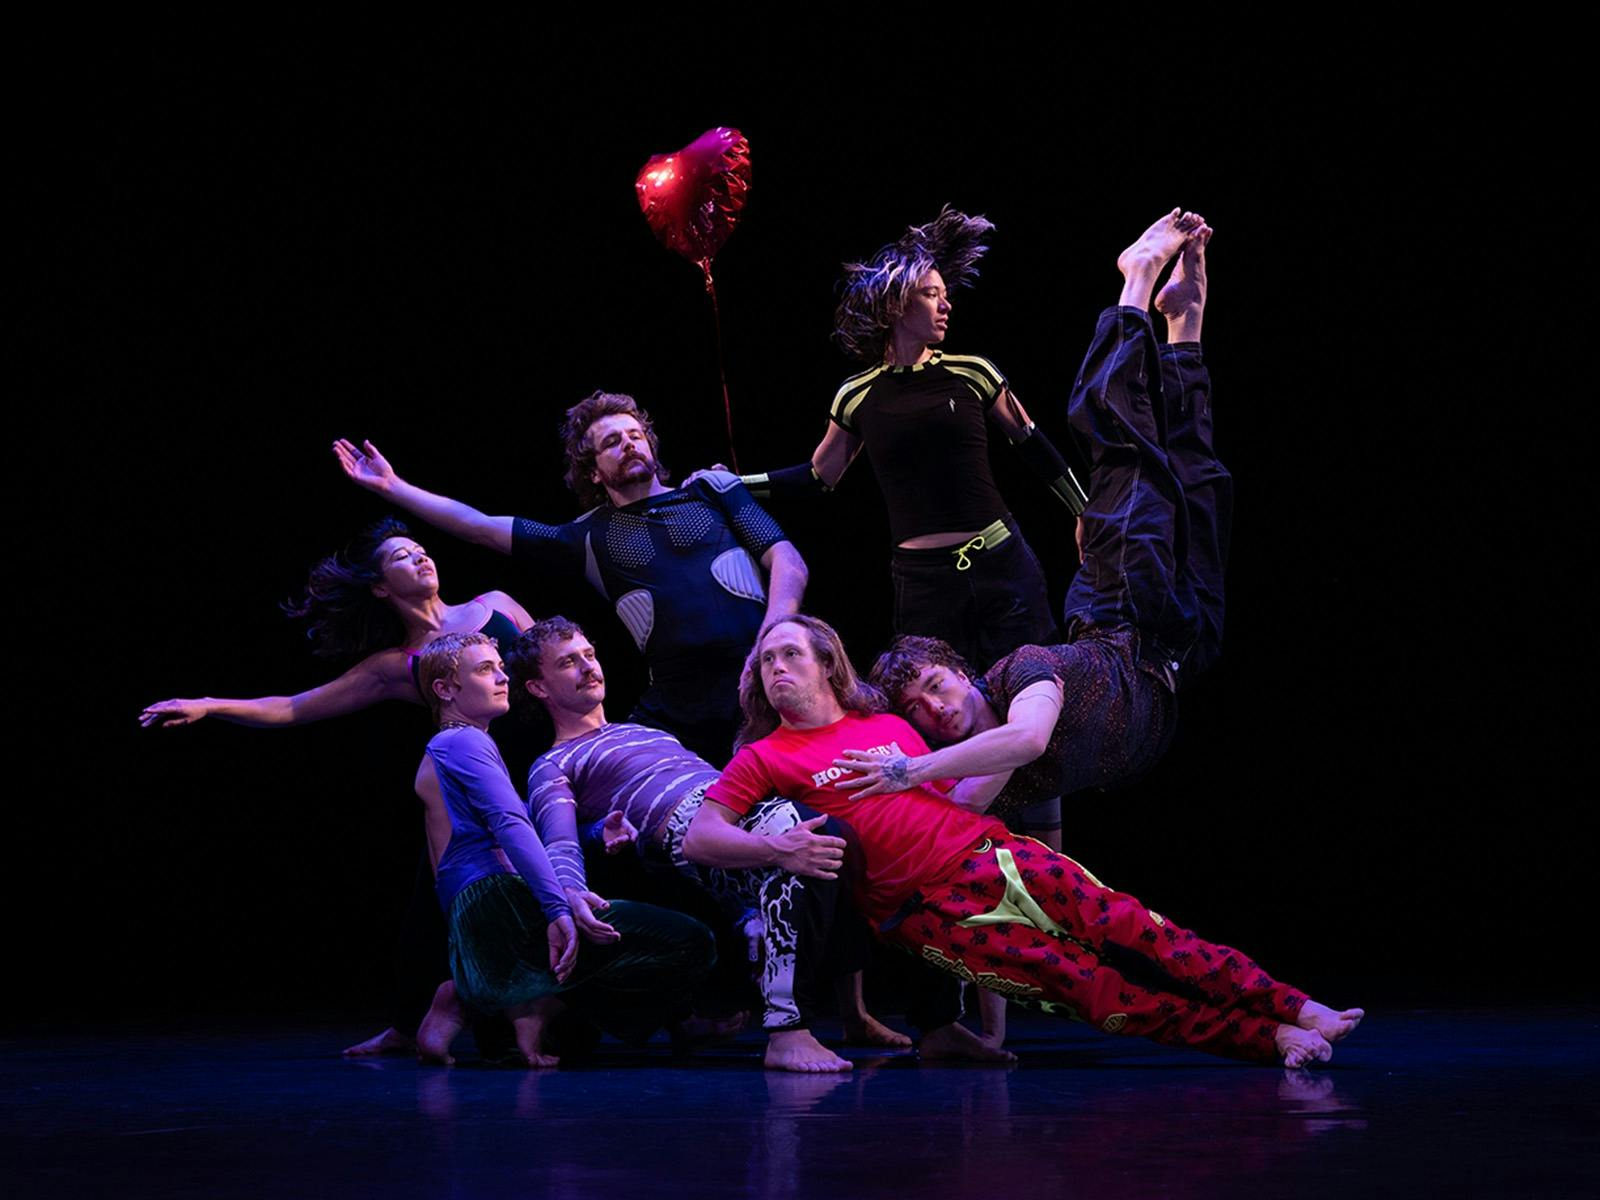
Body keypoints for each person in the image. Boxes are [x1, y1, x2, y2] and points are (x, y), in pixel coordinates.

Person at [686, 627, 1359, 1064]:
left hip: (993, 852)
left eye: (790, 654)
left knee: (1142, 929)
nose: (776, 668)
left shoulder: (889, 723)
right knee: (1096, 992)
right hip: (931, 912)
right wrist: (779, 853)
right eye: (766, 660)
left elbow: (962, 793)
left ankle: (1297, 1006)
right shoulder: (764, 756)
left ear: (828, 665)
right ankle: (1269, 1038)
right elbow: (701, 836)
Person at [862, 213, 1230, 827]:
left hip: (1124, 615)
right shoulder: (981, 778)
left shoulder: (1022, 672)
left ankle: (1135, 280)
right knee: (1201, 479)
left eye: (934, 685)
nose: (936, 709)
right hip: (1182, 655)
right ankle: (1184, 322)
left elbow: (1027, 740)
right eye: (917, 707)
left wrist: (906, 772)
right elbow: (965, 818)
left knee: (1120, 437)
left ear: (965, 670)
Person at [139, 518, 535, 1058]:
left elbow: (554, 658)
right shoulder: (396, 665)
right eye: (402, 557)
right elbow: (294, 707)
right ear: (379, 587)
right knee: (438, 894)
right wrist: (210, 705)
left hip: (544, 762)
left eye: (421, 549)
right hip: (471, 779)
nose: (421, 558)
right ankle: (409, 1022)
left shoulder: (497, 604)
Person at [511, 615, 919, 1072]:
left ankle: (853, 1015)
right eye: (568, 662)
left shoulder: (645, 731)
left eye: (589, 654)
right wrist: (567, 892)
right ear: (539, 688)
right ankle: (787, 1032)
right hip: (691, 828)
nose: (588, 667)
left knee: (838, 841)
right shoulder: (554, 761)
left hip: (733, 808)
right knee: (811, 835)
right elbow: (558, 840)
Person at [335, 391, 807, 763]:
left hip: (769, 675)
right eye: (611, 442)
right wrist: (395, 488)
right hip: (683, 708)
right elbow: (478, 526)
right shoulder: (585, 537)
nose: (628, 445)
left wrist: (772, 638)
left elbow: (788, 561)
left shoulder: (711, 488)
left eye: (634, 434)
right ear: (594, 472)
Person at [411, 631, 714, 1067]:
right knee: (686, 940)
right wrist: (556, 907)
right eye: (484, 669)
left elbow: (461, 856)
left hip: (481, 903)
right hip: (500, 900)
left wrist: (591, 838)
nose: (501, 677)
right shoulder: (465, 742)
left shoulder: (446, 749)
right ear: (445, 689)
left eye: (500, 667)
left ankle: (499, 1001)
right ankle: (494, 1000)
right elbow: (510, 824)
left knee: (592, 989)